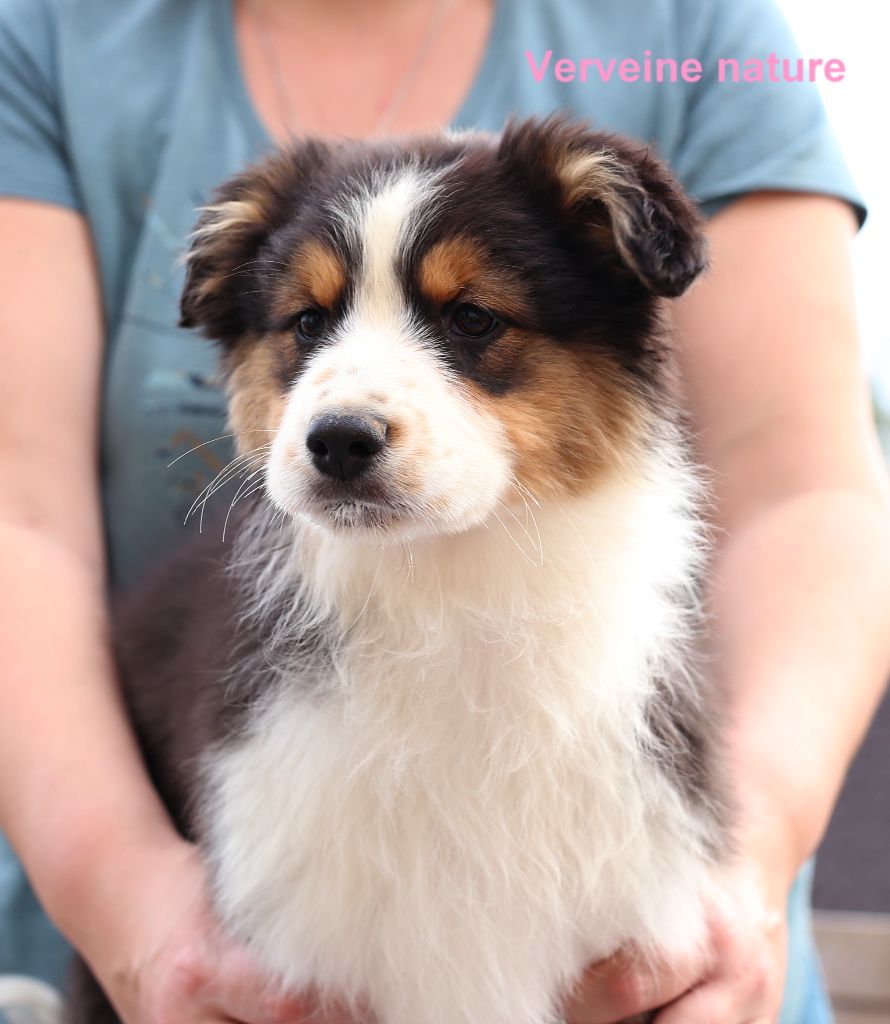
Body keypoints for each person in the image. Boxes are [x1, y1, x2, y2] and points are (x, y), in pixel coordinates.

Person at [1, 1, 888, 1022]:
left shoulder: (693, 26)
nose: (343, 410)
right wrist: (134, 917)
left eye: (471, 319)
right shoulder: (46, 34)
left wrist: (753, 857)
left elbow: (805, 490)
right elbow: (16, 517)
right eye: (306, 322)